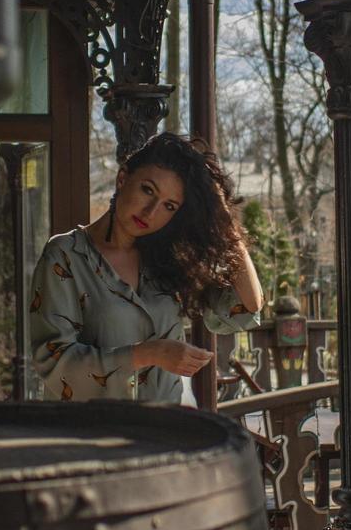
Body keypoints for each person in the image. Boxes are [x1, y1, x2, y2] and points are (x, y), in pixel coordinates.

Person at [28, 132, 264, 403]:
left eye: (169, 206)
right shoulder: (65, 256)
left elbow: (248, 306)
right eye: (148, 190)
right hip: (93, 437)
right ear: (123, 178)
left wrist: (223, 219)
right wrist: (150, 354)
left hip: (167, 432)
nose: (151, 212)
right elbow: (55, 365)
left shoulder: (170, 259)